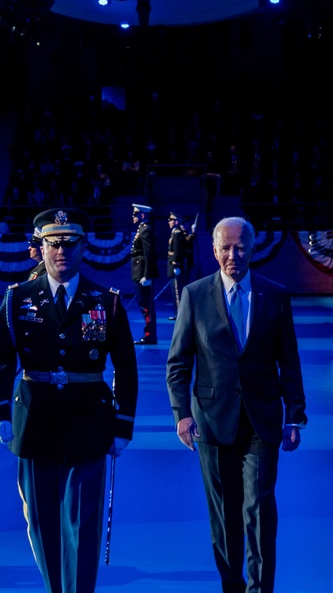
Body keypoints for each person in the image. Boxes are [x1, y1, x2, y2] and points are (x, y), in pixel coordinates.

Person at [0, 207, 138, 593]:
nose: (62, 252)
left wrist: (123, 426)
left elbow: (126, 366)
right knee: (40, 520)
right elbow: (1, 358)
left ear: (83, 247)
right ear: (41, 247)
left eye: (70, 243)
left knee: (83, 522)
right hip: (34, 418)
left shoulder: (106, 301)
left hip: (88, 419)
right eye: (54, 243)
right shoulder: (17, 298)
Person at [166, 216, 307, 593]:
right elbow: (178, 363)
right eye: (225, 248)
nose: (233, 255)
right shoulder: (194, 295)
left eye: (240, 247)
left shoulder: (275, 296)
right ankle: (232, 585)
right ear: (214, 251)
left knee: (259, 507)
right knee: (224, 514)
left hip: (263, 421)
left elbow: (288, 360)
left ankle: (260, 589)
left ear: (253, 249)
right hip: (211, 422)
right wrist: (182, 415)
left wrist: (295, 415)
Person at [130, 203, 158, 344]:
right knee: (144, 305)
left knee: (146, 306)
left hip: (143, 273)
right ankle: (149, 334)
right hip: (139, 271)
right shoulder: (142, 229)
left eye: (135, 214)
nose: (133, 216)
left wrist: (147, 275)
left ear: (142, 215)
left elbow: (149, 254)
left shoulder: (146, 230)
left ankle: (149, 335)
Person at [166, 211, 188, 316]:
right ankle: (177, 314)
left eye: (171, 220)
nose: (169, 222)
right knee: (174, 293)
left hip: (175, 266)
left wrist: (176, 264)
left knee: (177, 292)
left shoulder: (178, 234)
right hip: (172, 266)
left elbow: (178, 250)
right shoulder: (174, 233)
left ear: (176, 222)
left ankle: (180, 314)